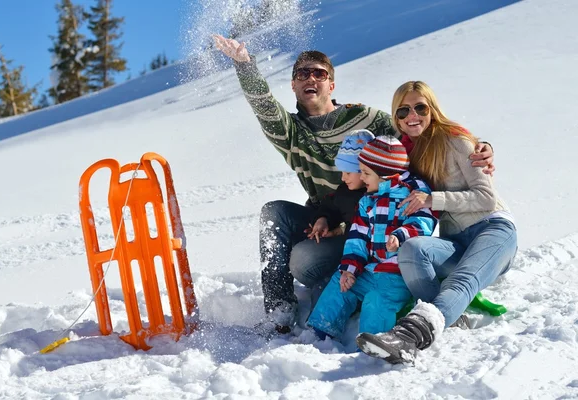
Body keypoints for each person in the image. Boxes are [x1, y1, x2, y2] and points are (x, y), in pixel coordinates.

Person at [212, 34, 494, 333]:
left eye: (319, 73)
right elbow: (265, 108)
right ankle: (281, 310)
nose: (311, 78)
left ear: (331, 84)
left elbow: (417, 129)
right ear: (293, 85)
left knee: (306, 261)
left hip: (378, 222)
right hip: (329, 215)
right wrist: (245, 67)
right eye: (301, 74)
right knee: (276, 215)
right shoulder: (291, 132)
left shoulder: (365, 118)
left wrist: (476, 145)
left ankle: (363, 280)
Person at [356, 81, 517, 364]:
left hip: (493, 228)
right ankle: (448, 316)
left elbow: (486, 198)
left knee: (462, 279)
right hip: (456, 239)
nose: (412, 115)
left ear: (433, 109)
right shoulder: (406, 152)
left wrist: (434, 199)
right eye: (403, 110)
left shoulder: (456, 140)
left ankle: (410, 336)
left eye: (420, 107)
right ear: (396, 116)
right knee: (412, 249)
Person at [307, 136, 437, 340]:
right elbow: (357, 237)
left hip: (397, 274)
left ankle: (373, 343)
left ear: (386, 175)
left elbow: (423, 222)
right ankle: (319, 332)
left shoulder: (413, 193)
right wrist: (349, 269)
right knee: (339, 284)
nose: (363, 178)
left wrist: (400, 236)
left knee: (376, 301)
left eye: (366, 173)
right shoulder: (367, 201)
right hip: (369, 269)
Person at [254, 129, 375, 334]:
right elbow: (333, 204)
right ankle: (280, 309)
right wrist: (322, 219)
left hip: (357, 257)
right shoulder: (347, 189)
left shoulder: (378, 194)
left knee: (321, 282)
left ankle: (321, 324)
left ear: (366, 170)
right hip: (336, 246)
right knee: (273, 211)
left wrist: (341, 229)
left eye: (348, 172)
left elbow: (370, 226)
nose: (343, 178)